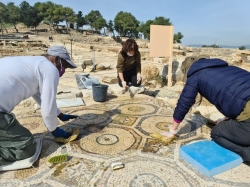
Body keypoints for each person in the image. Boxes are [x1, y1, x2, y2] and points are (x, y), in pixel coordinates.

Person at [0, 46, 78, 165]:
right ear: (56, 59)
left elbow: (40, 97)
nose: (62, 71)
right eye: (64, 66)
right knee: (26, 147)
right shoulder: (50, 69)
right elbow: (47, 107)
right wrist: (54, 130)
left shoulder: (34, 62)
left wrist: (60, 114)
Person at [163, 56, 250, 162]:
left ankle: (246, 153)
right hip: (246, 106)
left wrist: (173, 130)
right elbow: (236, 94)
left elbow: (184, 102)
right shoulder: (226, 67)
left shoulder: (195, 76)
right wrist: (226, 118)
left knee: (217, 133)